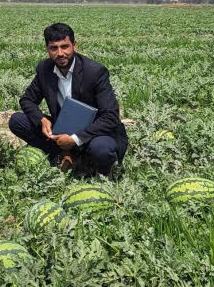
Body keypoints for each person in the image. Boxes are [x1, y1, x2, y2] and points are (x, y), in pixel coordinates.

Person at [8, 23, 127, 177]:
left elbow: (111, 116)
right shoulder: (45, 69)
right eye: (54, 48)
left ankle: (97, 169)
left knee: (102, 149)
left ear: (74, 45)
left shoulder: (95, 72)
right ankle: (63, 155)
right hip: (62, 130)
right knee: (17, 120)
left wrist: (75, 139)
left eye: (65, 46)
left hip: (94, 133)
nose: (60, 53)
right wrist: (42, 119)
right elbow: (27, 100)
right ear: (47, 48)